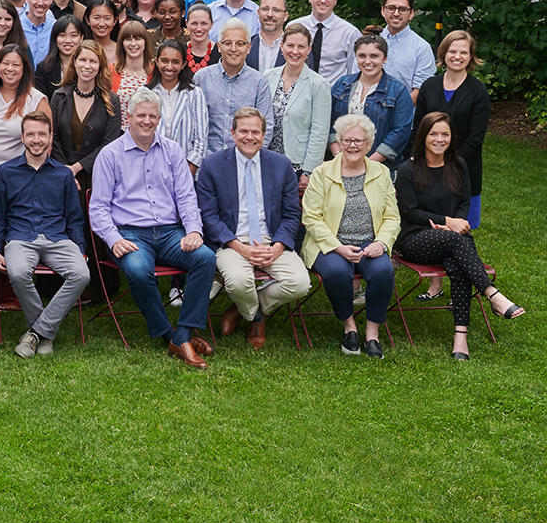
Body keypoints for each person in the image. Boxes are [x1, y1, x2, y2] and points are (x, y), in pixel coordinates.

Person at [88, 89, 219, 369]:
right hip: (130, 233)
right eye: (141, 115)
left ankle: (184, 333)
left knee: (206, 258)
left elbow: (186, 197)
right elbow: (98, 207)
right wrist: (113, 239)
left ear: (159, 119)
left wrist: (194, 231)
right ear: (129, 117)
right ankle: (169, 334)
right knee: (138, 271)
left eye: (152, 116)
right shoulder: (110, 155)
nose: (146, 121)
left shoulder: (172, 150)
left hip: (170, 232)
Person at [393, 112, 524, 358]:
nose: (439, 139)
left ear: (452, 137)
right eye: (433, 134)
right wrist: (447, 222)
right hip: (415, 239)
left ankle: (460, 337)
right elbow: (411, 211)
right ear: (423, 137)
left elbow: (464, 202)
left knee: (458, 262)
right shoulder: (408, 169)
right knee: (460, 243)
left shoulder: (459, 165)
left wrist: (456, 223)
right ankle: (492, 295)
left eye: (445, 134)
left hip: (452, 238)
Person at [194, 107, 308, 350]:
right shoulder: (212, 165)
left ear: (264, 135)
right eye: (243, 131)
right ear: (233, 133)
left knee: (300, 283)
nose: (249, 137)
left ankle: (241, 309)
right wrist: (240, 248)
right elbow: (209, 217)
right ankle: (256, 318)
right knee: (237, 281)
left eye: (255, 132)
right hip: (231, 241)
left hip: (270, 239)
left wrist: (277, 247)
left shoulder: (281, 165)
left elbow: (291, 214)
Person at [301, 113, 399, 358]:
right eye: (347, 140)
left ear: (369, 144)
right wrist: (337, 247)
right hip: (330, 242)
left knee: (383, 271)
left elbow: (392, 216)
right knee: (337, 272)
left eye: (359, 141)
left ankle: (372, 333)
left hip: (369, 242)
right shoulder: (322, 173)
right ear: (339, 142)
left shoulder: (381, 172)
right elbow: (311, 217)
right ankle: (349, 327)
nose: (352, 145)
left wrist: (381, 243)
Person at [0, 112, 90, 357]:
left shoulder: (64, 174)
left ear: (50, 137)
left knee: (81, 274)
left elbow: (74, 217)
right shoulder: (6, 171)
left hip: (57, 238)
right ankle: (45, 334)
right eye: (31, 134)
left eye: (41, 134)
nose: (36, 140)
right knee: (17, 273)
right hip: (20, 237)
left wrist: (80, 248)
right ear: (22, 137)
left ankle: (35, 333)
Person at [413, 30, 491, 233]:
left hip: (463, 169)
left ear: (471, 56)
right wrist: (418, 160)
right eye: (452, 51)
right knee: (428, 228)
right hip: (427, 169)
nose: (457, 56)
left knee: (461, 230)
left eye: (463, 52)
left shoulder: (478, 91)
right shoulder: (429, 86)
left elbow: (475, 139)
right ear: (443, 53)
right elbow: (418, 130)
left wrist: (448, 164)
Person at [194, 21, 275, 155]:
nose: (233, 48)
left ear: (248, 48)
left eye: (240, 44)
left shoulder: (259, 82)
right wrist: (205, 158)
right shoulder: (201, 78)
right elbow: (193, 124)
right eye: (227, 43)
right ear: (219, 46)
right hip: (206, 159)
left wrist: (249, 156)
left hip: (246, 158)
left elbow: (266, 127)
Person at [266, 23, 333, 184]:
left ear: (308, 49)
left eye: (301, 47)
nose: (295, 51)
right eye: (290, 45)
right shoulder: (267, 77)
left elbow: (319, 132)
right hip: (267, 161)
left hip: (297, 166)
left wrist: (309, 171)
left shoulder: (318, 84)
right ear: (282, 46)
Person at [49, 41, 120, 188]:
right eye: (82, 60)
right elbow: (52, 137)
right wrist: (66, 171)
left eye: (93, 61)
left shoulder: (112, 101)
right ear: (74, 62)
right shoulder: (59, 97)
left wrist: (77, 168)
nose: (87, 66)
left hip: (97, 175)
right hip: (61, 173)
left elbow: (110, 143)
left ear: (100, 65)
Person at [0, 45, 46, 168]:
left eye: (16, 65)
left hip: (16, 172)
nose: (10, 69)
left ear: (24, 69)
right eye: (5, 63)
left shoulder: (37, 100)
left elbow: (46, 142)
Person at [148, 40, 210, 168]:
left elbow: (200, 142)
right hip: (150, 167)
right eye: (164, 61)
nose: (169, 67)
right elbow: (137, 135)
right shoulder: (145, 93)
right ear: (156, 62)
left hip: (185, 168)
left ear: (183, 65)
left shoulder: (195, 94)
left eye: (175, 62)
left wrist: (186, 174)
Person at [290, 0, 355, 85]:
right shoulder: (294, 27)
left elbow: (353, 72)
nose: (323, 0)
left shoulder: (349, 33)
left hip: (333, 93)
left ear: (335, 0)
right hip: (298, 91)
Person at [376, 0, 437, 98]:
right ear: (382, 11)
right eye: (391, 8)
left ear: (411, 14)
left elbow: (420, 92)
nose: (396, 13)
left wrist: (396, 107)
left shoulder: (422, 48)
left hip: (404, 108)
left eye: (402, 9)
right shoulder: (369, 43)